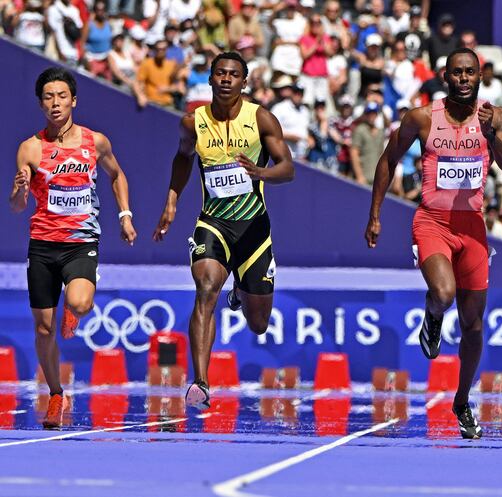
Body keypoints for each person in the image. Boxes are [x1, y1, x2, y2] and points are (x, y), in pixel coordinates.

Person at [364, 48, 502, 439]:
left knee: (474, 325)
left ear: (479, 76)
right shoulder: (420, 118)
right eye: (457, 73)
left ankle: (462, 400)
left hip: (473, 228)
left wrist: (492, 136)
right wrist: (376, 214)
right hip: (432, 221)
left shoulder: (496, 116)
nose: (464, 78)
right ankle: (433, 314)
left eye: (470, 72)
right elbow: (387, 160)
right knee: (444, 292)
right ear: (446, 77)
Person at [152, 53, 294, 409]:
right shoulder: (193, 123)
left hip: (254, 231)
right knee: (205, 287)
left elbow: (288, 168)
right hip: (212, 224)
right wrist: (172, 199)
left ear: (244, 82)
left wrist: (261, 173)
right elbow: (184, 158)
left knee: (258, 323)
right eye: (220, 74)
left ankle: (241, 292)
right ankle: (200, 381)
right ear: (211, 80)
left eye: (234, 75)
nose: (227, 79)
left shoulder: (260, 117)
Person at [9, 67, 136, 428]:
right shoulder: (30, 149)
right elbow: (17, 206)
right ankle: (54, 393)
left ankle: (73, 312)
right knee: (44, 330)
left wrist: (125, 215)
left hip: (81, 242)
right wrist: (20, 188)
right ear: (40, 104)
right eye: (48, 97)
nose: (55, 103)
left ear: (73, 101)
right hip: (43, 245)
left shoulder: (95, 142)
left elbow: (117, 175)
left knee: (80, 302)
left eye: (61, 96)